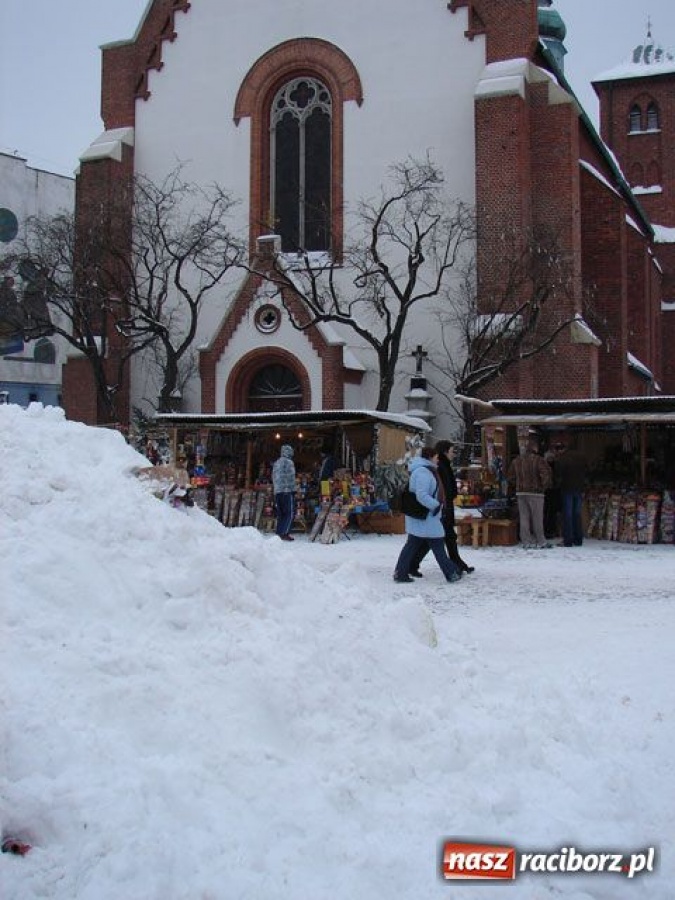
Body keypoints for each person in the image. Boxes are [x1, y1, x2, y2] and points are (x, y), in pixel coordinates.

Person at [393, 448, 462, 584]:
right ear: (430, 457)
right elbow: (422, 495)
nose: (438, 460)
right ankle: (451, 572)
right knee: (437, 544)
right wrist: (436, 505)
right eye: (436, 457)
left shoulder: (425, 470)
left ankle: (400, 572)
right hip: (427, 516)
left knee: (414, 544)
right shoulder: (423, 472)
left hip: (424, 517)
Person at [408, 440, 474, 576]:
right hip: (441, 507)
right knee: (441, 538)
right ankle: (453, 567)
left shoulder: (442, 465)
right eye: (452, 451)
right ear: (444, 452)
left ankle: (412, 565)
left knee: (436, 538)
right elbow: (439, 489)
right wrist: (439, 505)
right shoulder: (438, 466)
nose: (454, 454)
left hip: (443, 506)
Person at [507, 439, 553, 549]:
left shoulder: (516, 461)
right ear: (534, 449)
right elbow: (545, 476)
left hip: (521, 492)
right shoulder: (539, 460)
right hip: (536, 493)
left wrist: (517, 485)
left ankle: (526, 541)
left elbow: (510, 477)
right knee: (537, 518)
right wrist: (544, 487)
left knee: (524, 518)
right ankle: (541, 541)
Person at [554, 437, 588, 546]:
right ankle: (578, 539)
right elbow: (587, 471)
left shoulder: (562, 459)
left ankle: (568, 540)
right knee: (577, 514)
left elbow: (558, 475)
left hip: (567, 488)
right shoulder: (582, 457)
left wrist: (557, 484)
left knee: (568, 514)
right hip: (579, 488)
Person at [272, 444, 296, 541]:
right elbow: (291, 477)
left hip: (277, 491)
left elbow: (273, 476)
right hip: (287, 491)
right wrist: (293, 489)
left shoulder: (276, 462)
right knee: (289, 513)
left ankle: (279, 531)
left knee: (281, 513)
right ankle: (285, 532)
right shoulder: (289, 462)